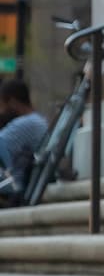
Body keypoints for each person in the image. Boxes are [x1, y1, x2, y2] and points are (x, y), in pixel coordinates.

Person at [0, 79, 48, 207]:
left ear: (12, 102)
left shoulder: (27, 123)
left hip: (14, 190)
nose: (2, 111)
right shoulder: (38, 121)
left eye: (2, 105)